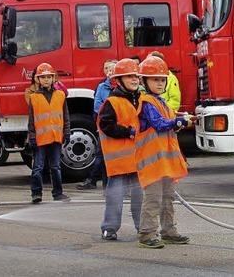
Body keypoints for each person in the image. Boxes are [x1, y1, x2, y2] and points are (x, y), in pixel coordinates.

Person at [136, 55, 192, 249]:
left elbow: (169, 123)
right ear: (144, 81)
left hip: (164, 162)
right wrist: (178, 122)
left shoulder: (162, 102)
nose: (160, 83)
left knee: (168, 197)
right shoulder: (147, 102)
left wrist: (182, 119)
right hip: (152, 163)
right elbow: (159, 124)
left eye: (162, 80)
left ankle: (169, 231)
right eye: (155, 80)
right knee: (153, 199)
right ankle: (147, 234)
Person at [96, 59, 143, 241]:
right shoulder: (111, 102)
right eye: (130, 76)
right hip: (119, 163)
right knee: (115, 199)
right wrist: (127, 132)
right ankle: (109, 228)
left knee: (140, 197)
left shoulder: (140, 99)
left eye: (136, 76)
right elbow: (105, 125)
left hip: (137, 160)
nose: (134, 79)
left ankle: (143, 228)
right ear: (119, 80)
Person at [27, 62, 71, 203]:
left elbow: (66, 116)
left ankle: (58, 193)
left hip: (56, 137)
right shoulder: (33, 97)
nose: (46, 79)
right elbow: (31, 120)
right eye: (43, 77)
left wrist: (67, 132)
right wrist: (32, 137)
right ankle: (36, 193)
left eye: (49, 77)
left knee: (56, 167)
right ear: (38, 79)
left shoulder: (60, 95)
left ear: (53, 78)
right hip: (40, 138)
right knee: (38, 167)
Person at [77, 59, 117, 190]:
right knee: (102, 155)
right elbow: (97, 106)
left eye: (113, 69)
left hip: (119, 126)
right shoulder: (101, 87)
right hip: (104, 126)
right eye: (107, 69)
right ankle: (104, 185)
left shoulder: (123, 87)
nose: (110, 72)